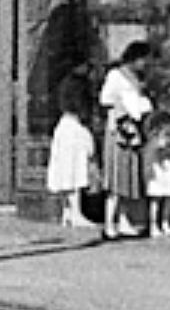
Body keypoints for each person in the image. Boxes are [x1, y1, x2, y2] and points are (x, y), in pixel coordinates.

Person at [99, 40, 154, 240]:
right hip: (120, 132)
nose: (144, 64)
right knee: (115, 178)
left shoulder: (138, 79)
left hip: (134, 131)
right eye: (142, 59)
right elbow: (106, 99)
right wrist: (121, 112)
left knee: (127, 179)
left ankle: (124, 220)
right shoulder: (116, 76)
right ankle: (108, 223)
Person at [46, 64, 97, 228]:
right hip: (75, 131)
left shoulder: (66, 87)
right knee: (76, 171)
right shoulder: (81, 93)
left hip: (64, 128)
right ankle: (76, 213)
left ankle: (67, 212)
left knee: (66, 171)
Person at [146, 113, 170, 237]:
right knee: (156, 199)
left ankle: (166, 223)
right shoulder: (155, 140)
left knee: (169, 198)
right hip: (158, 172)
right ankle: (153, 225)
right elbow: (156, 151)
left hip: (169, 170)